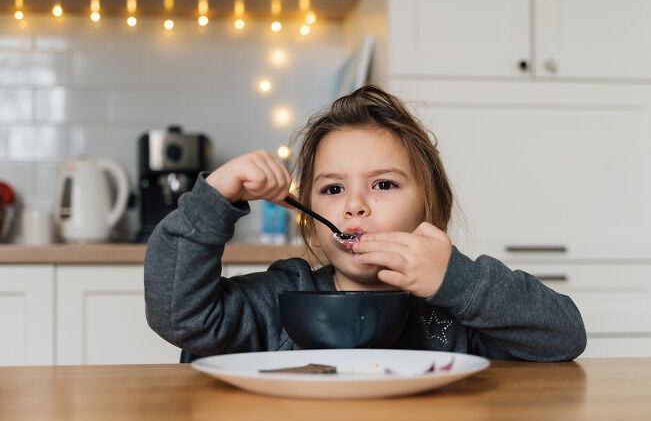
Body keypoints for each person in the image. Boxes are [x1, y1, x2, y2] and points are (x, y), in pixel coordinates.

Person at [144, 85, 587, 361]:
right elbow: (180, 315)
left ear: (430, 206)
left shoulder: (458, 304)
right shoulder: (282, 299)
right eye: (333, 190)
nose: (354, 206)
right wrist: (214, 198)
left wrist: (457, 280)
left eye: (383, 185)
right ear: (310, 220)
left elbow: (564, 336)